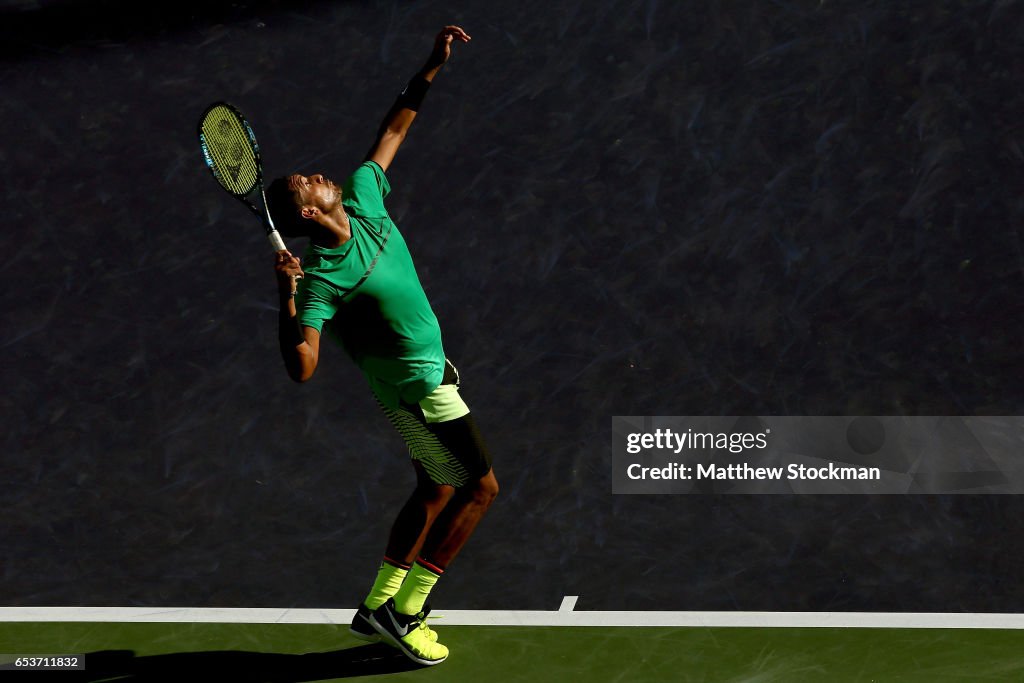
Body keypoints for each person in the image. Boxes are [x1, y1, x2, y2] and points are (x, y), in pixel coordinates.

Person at [264, 25, 497, 667]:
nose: (317, 174)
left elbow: (392, 132)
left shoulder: (365, 198)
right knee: (480, 490)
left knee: (434, 488)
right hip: (420, 392)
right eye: (305, 184)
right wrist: (286, 295)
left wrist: (431, 66)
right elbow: (302, 368)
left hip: (410, 384)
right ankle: (407, 611)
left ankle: (376, 604)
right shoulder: (318, 282)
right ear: (308, 214)